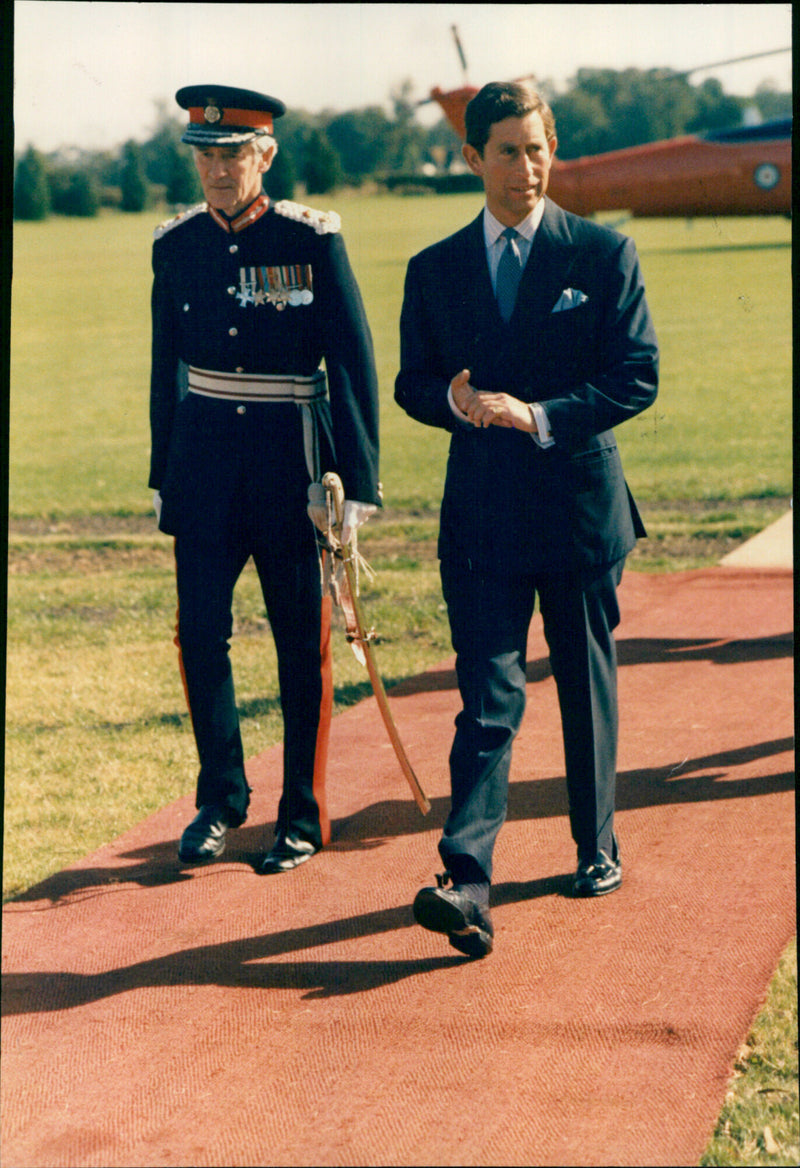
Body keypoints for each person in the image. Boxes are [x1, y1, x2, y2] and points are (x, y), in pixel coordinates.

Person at [395, 82, 658, 957]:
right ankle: (466, 882)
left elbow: (636, 375)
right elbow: (410, 382)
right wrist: (450, 399)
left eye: (538, 148)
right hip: (483, 519)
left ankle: (596, 846)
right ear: (474, 158)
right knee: (487, 699)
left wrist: (537, 415)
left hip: (578, 511)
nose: (526, 167)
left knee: (584, 687)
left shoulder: (604, 254)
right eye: (507, 151)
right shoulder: (434, 268)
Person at [149, 85, 380, 873]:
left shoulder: (310, 239)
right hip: (204, 470)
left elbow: (351, 362)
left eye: (235, 154)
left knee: (299, 644)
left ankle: (302, 815)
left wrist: (356, 484)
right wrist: (164, 475)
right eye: (206, 156)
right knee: (199, 636)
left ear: (266, 156)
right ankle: (221, 798)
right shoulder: (176, 245)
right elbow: (166, 368)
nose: (219, 170)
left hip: (291, 470)